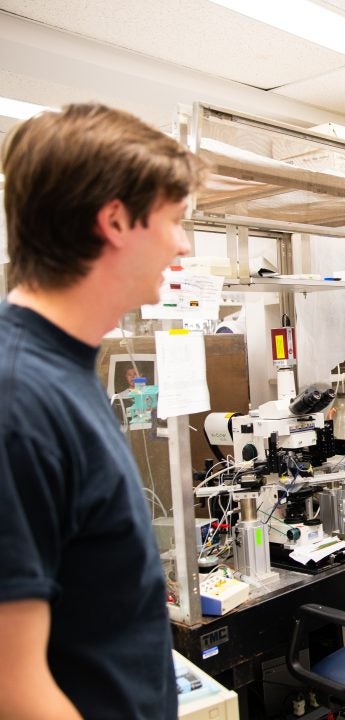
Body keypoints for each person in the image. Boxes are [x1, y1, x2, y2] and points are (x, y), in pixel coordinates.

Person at [0, 103, 204, 718]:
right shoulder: (18, 399)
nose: (185, 245)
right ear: (115, 220)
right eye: (175, 220)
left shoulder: (63, 368)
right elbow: (14, 686)